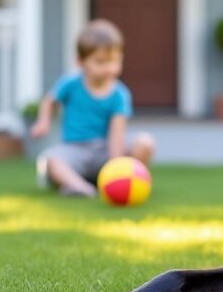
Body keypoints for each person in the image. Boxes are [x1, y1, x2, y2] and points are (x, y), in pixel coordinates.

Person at [30, 19, 155, 197]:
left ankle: (126, 182)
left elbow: (116, 136)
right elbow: (50, 100)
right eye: (100, 62)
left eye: (114, 61)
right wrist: (44, 121)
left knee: (144, 143)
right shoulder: (71, 83)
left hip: (104, 151)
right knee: (50, 160)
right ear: (80, 61)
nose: (109, 68)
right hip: (74, 150)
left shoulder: (120, 94)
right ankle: (80, 187)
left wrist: (116, 168)